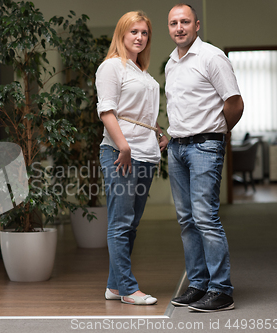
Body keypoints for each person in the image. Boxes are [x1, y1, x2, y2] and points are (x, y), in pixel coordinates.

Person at [165, 4, 244, 312]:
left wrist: (217, 134)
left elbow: (234, 103)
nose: (179, 27)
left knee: (205, 218)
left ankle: (221, 290)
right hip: (177, 148)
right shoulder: (172, 63)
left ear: (197, 25)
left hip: (205, 147)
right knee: (186, 220)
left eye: (185, 22)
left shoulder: (212, 57)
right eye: (174, 23)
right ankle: (198, 285)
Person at [96, 11, 169, 306]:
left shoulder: (142, 71)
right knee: (120, 223)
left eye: (144, 33)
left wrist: (158, 132)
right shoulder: (112, 66)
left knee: (130, 224)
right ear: (121, 35)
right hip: (121, 154)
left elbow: (138, 113)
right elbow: (107, 111)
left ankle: (114, 286)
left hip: (145, 154)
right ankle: (127, 288)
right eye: (133, 32)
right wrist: (123, 146)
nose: (139, 37)